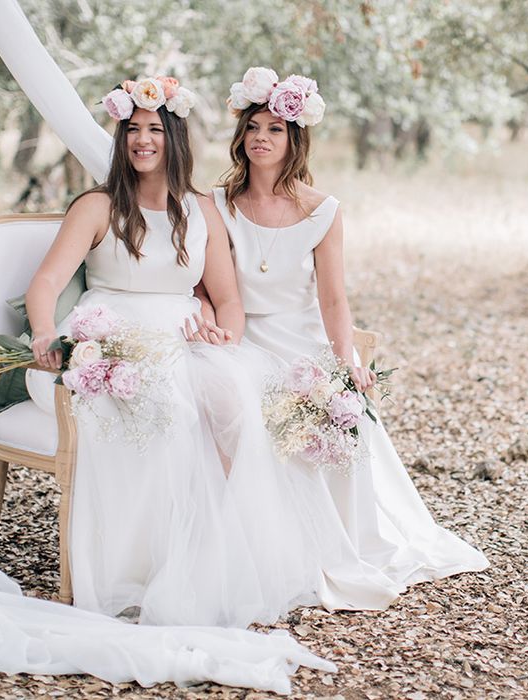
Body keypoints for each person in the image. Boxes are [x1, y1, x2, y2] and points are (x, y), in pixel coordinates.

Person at [24, 76, 323, 628]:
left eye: (155, 130)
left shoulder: (200, 209)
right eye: (133, 130)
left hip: (182, 337)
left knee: (234, 401)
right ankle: (144, 565)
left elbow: (228, 300)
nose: (142, 140)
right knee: (167, 410)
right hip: (111, 335)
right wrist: (45, 333)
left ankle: (218, 554)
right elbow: (44, 283)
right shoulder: (96, 206)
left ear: (175, 138)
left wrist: (224, 337)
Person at [208, 67, 489, 599]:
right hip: (242, 339)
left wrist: (345, 365)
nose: (262, 138)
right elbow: (212, 286)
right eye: (253, 128)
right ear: (240, 137)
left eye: (275, 129)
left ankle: (333, 541)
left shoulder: (322, 211)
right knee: (243, 406)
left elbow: (334, 299)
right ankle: (259, 540)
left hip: (302, 341)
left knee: (331, 412)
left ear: (295, 140)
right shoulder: (218, 204)